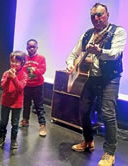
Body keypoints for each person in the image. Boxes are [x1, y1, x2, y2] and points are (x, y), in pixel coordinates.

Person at [66, 3, 127, 166]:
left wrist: (99, 51)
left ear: (107, 14)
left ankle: (109, 153)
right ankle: (88, 141)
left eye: (100, 14)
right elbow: (74, 53)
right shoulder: (87, 34)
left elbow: (115, 54)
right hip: (91, 77)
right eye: (93, 16)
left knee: (108, 113)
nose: (96, 18)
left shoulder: (117, 32)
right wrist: (71, 64)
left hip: (110, 78)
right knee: (84, 110)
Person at [0, 51, 27, 149]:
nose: (14, 64)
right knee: (3, 121)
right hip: (5, 102)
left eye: (17, 62)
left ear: (22, 63)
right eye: (12, 61)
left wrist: (14, 78)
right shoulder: (6, 73)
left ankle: (13, 140)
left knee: (15, 122)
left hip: (17, 104)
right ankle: (1, 137)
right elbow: (3, 86)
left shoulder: (24, 75)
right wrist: (9, 78)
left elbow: (20, 87)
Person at [19, 39, 47, 137]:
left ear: (36, 47)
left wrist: (35, 70)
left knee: (39, 106)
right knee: (26, 104)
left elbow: (43, 70)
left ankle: (42, 125)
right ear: (26, 47)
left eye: (33, 47)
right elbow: (21, 70)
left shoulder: (41, 58)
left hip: (37, 86)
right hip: (27, 85)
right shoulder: (23, 58)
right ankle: (25, 120)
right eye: (29, 47)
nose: (31, 49)